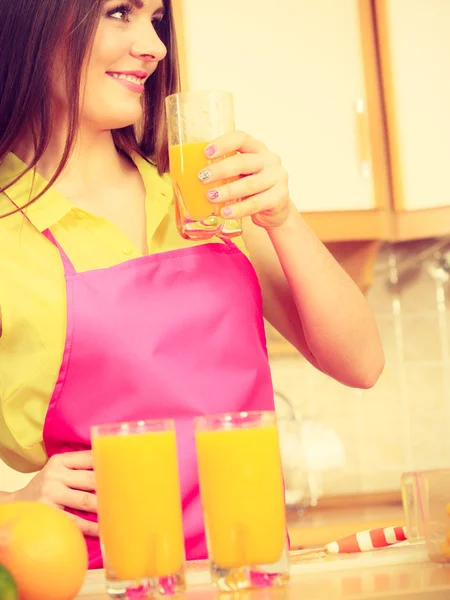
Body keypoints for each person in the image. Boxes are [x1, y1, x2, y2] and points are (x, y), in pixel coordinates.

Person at [0, 0, 384, 568]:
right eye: (118, 12)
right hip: (100, 582)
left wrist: (281, 216)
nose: (153, 47)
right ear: (32, 21)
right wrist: (14, 506)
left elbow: (361, 362)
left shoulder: (205, 192)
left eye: (154, 20)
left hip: (253, 573)